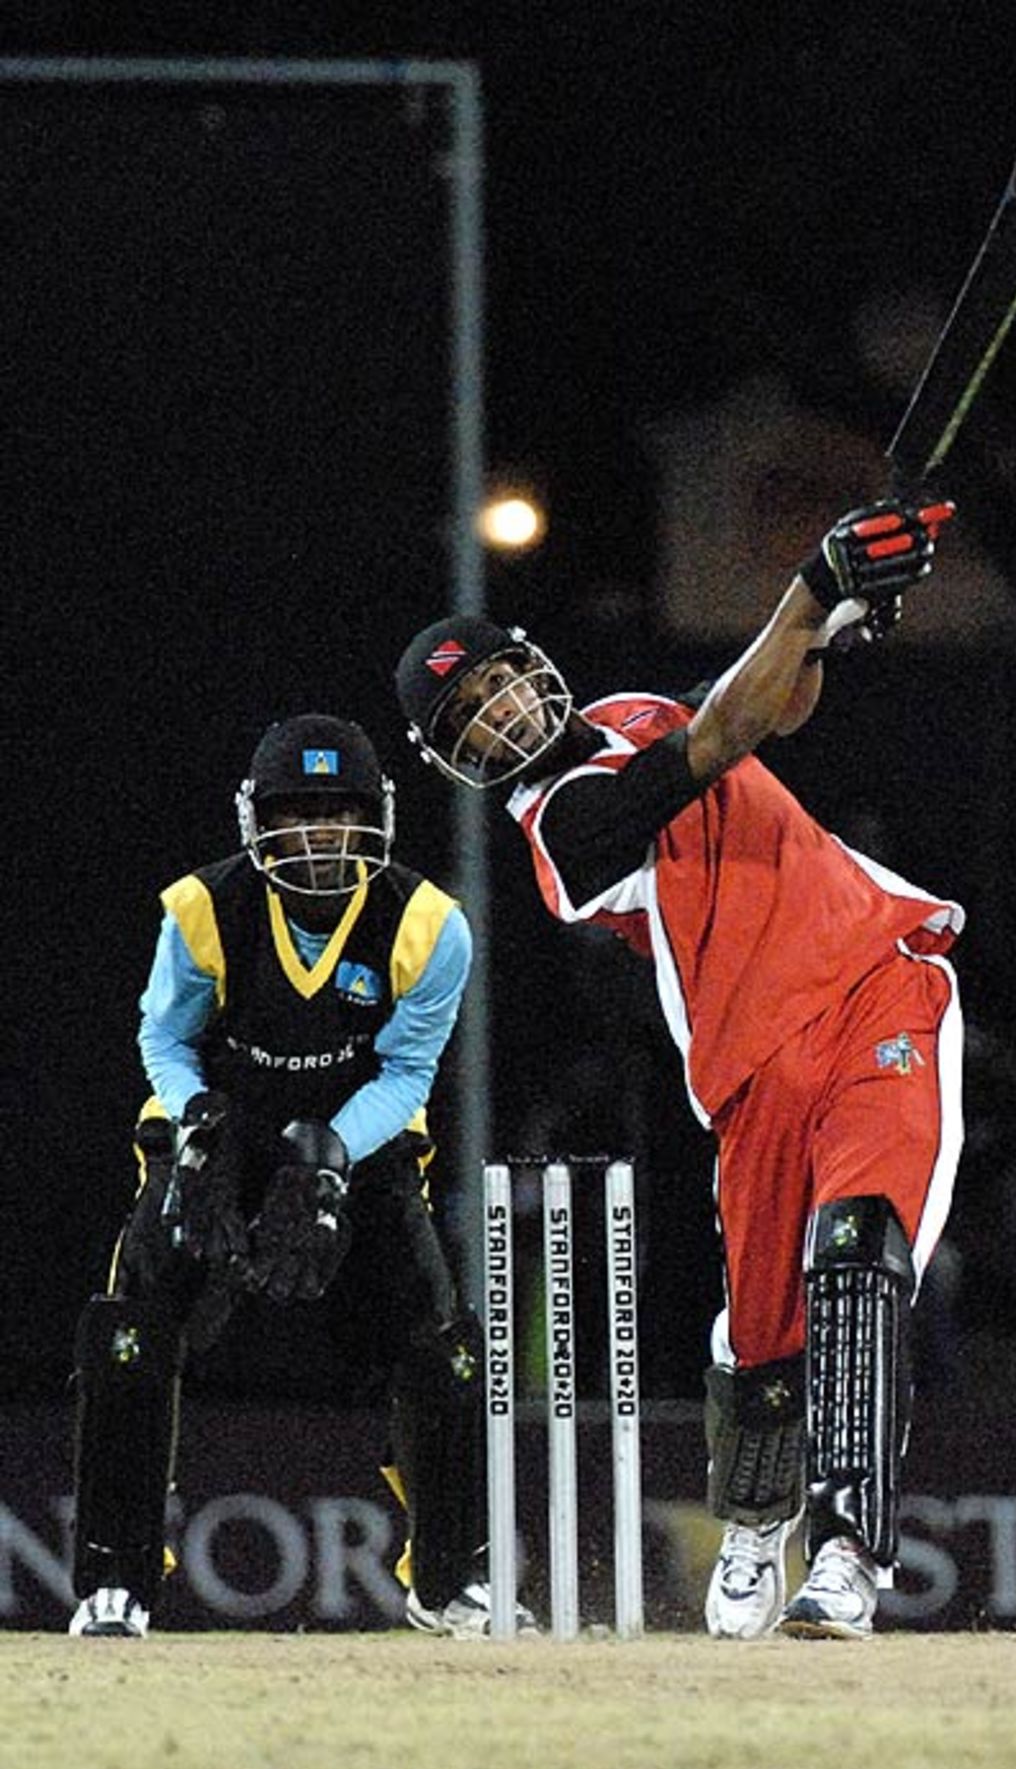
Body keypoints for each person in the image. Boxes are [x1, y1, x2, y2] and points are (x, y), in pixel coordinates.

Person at [394, 495, 965, 1640]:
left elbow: (774, 706)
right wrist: (809, 588)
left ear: (533, 666)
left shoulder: (625, 709)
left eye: (501, 681)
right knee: (761, 1338)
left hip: (877, 987)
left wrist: (836, 614)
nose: (502, 713)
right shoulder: (562, 832)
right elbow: (718, 740)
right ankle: (755, 1520)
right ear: (454, 758)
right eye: (471, 716)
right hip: (750, 1069)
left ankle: (845, 1554)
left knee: (857, 1255)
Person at [68, 713, 534, 1639]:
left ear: (379, 819)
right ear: (258, 822)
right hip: (220, 1143)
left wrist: (325, 1158)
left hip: (356, 1149)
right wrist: (199, 1124)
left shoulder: (430, 925)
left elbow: (406, 1074)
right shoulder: (202, 909)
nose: (321, 835)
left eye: (341, 813)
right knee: (129, 1332)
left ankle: (449, 1580)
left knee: (441, 1348)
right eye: (299, 815)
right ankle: (114, 1581)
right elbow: (164, 1036)